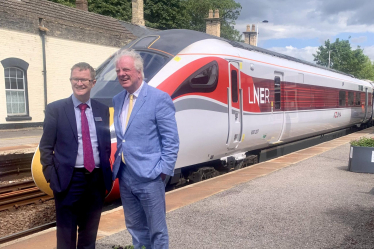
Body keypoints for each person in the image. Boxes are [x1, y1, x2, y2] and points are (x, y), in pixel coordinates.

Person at [39, 62, 112, 249]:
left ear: (93, 82)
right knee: (66, 236)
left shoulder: (102, 110)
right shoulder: (55, 109)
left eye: (84, 80)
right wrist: (51, 177)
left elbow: (104, 145)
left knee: (89, 235)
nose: (79, 83)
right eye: (75, 79)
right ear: (71, 80)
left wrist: (105, 174)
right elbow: (46, 147)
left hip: (95, 181)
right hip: (68, 181)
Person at [112, 49, 179, 249]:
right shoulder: (118, 99)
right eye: (118, 70)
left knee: (157, 230)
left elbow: (171, 139)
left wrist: (163, 171)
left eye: (126, 69)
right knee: (135, 228)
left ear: (139, 72)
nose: (121, 74)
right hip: (125, 175)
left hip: (150, 176)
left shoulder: (159, 98)